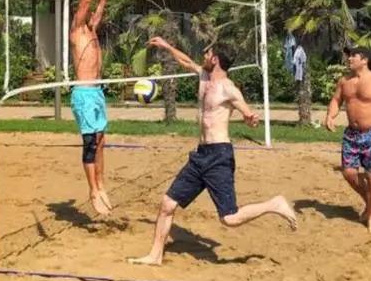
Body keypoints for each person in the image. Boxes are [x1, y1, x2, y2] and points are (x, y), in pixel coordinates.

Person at [127, 37, 297, 266]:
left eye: (207, 53)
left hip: (219, 156)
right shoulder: (203, 76)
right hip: (200, 155)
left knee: (229, 218)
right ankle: (155, 255)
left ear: (215, 59)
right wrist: (165, 46)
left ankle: (274, 204)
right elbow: (186, 61)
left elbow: (247, 112)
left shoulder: (229, 89)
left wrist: (250, 119)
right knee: (167, 204)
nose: (204, 56)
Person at [324, 47, 371, 233]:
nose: (349, 59)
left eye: (353, 56)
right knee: (348, 173)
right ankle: (369, 200)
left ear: (364, 60)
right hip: (351, 135)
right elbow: (336, 100)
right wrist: (330, 115)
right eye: (349, 56)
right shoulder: (344, 81)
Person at [69, 0, 112, 216]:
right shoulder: (76, 29)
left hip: (96, 93)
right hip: (83, 94)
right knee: (90, 143)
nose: (89, 11)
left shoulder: (92, 29)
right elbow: (87, 0)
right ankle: (93, 190)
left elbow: (102, 1)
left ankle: (101, 184)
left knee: (101, 140)